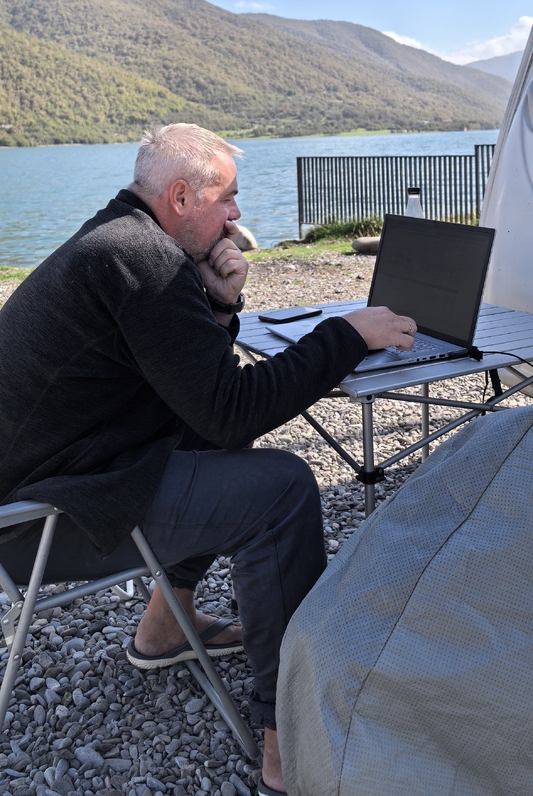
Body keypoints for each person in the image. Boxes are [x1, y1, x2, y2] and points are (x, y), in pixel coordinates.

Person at [0, 123, 417, 795]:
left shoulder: (123, 239)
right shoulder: (140, 259)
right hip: (40, 522)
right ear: (182, 196)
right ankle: (288, 742)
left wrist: (220, 306)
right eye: (227, 198)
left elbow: (194, 388)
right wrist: (344, 334)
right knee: (280, 487)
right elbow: (234, 408)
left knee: (212, 438)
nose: (237, 215)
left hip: (60, 479)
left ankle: (164, 627)